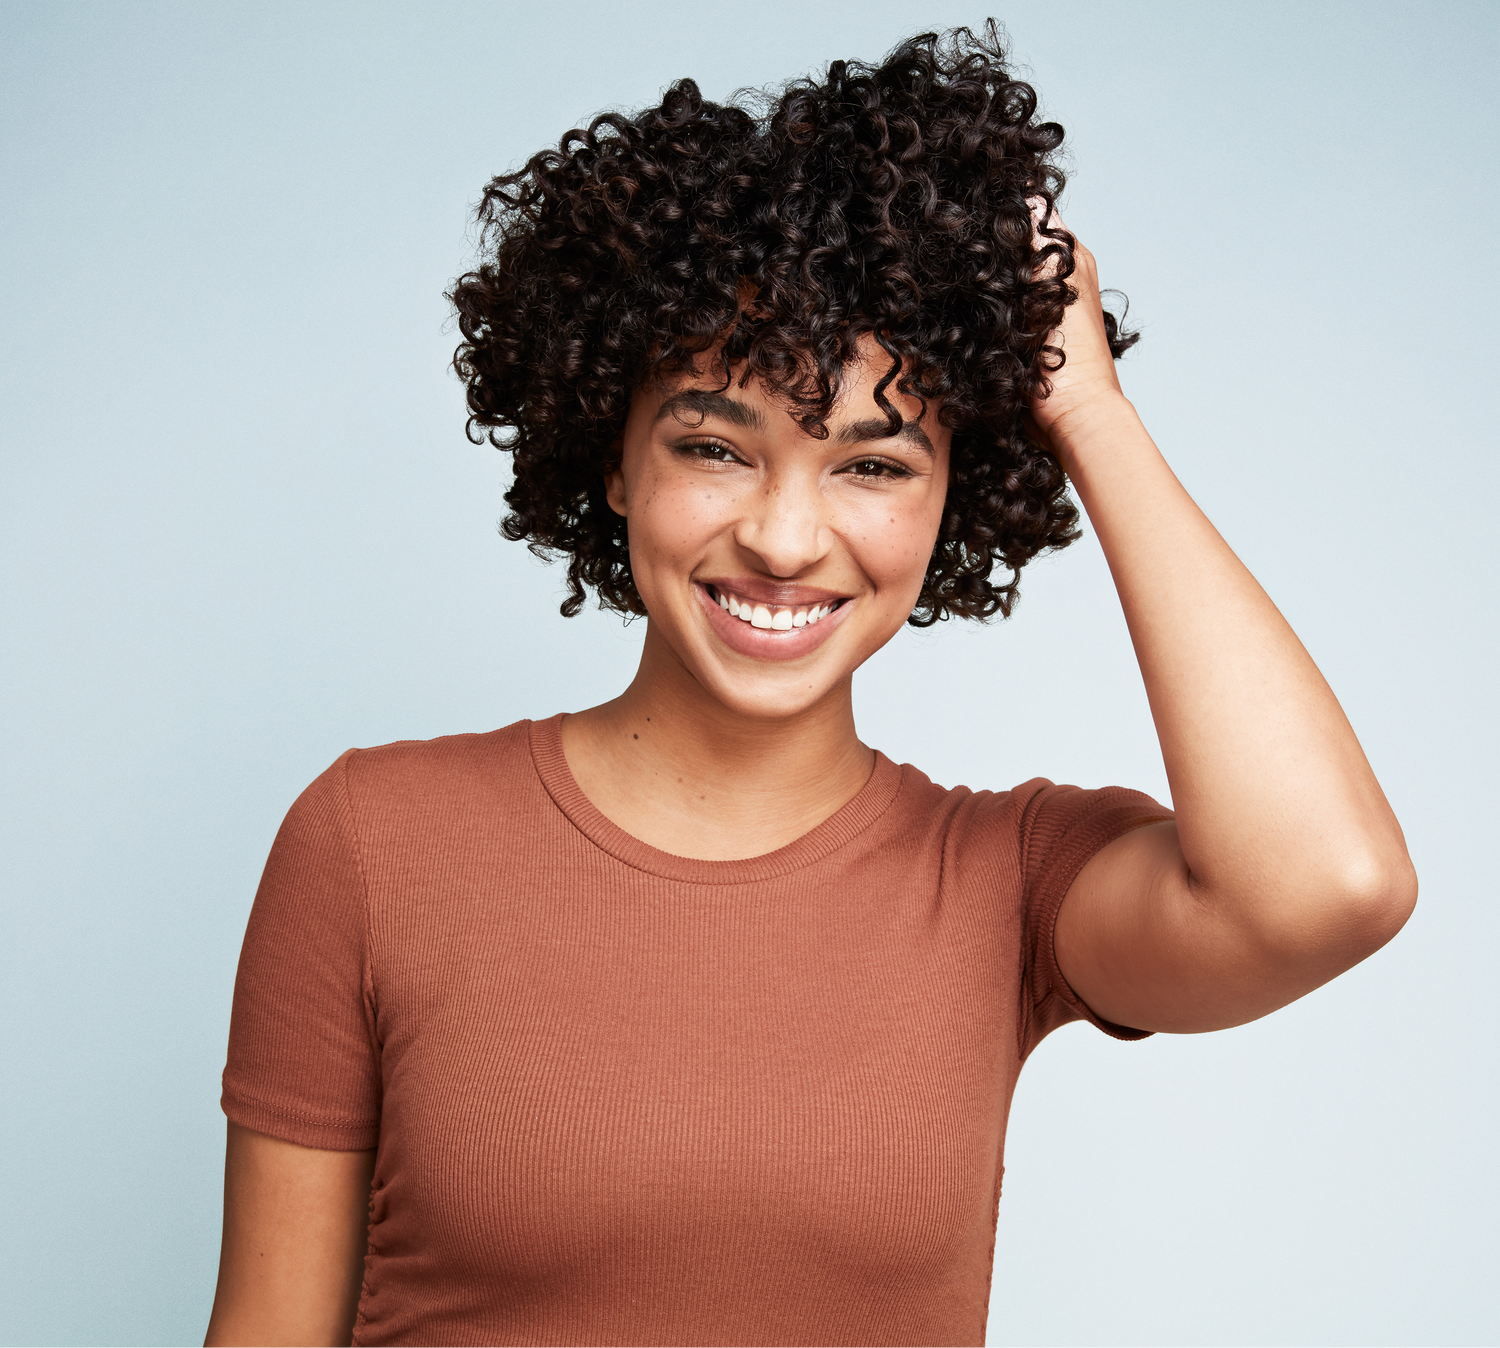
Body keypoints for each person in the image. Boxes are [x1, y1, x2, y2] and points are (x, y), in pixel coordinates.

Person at [203, 24, 1416, 1348]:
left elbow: (1331, 887)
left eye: (876, 464)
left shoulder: (1005, 884)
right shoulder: (374, 840)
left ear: (958, 497)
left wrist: (1090, 413)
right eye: (716, 446)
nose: (785, 538)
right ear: (614, 462)